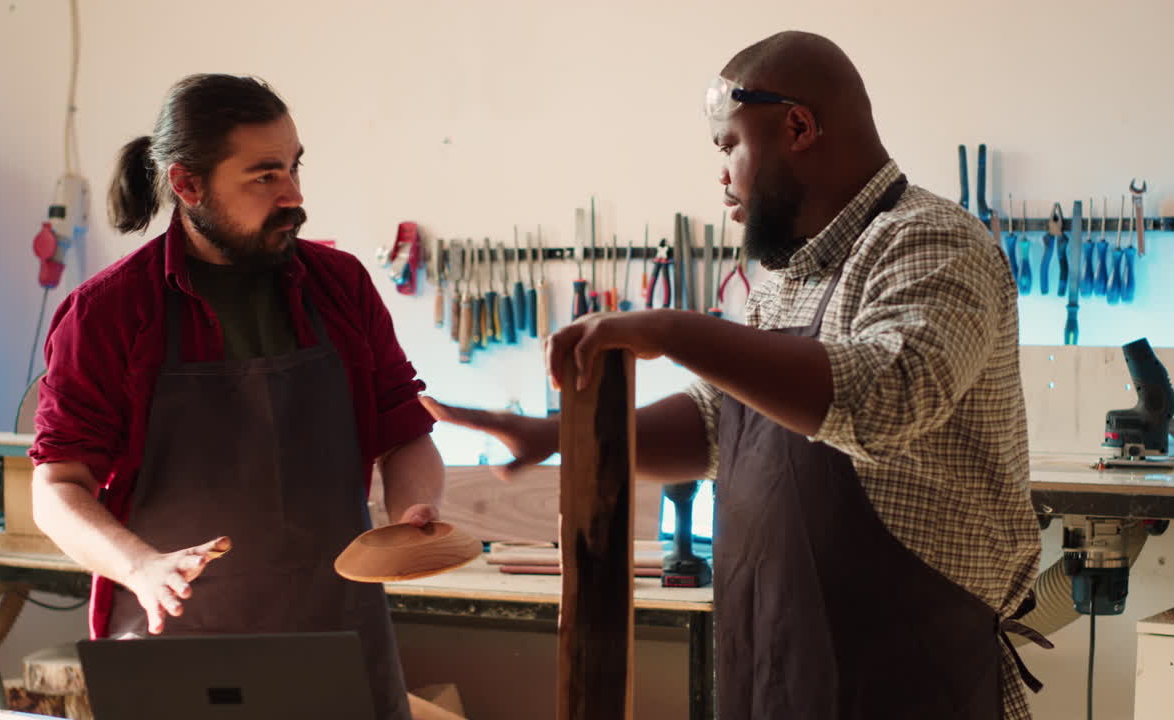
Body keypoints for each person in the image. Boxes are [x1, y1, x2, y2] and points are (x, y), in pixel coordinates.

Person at [423, 31, 1046, 719]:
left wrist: (667, 328)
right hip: (781, 668)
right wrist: (562, 432)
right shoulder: (784, 279)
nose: (722, 175)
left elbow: (885, 399)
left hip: (913, 677)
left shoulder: (930, 239)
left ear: (798, 126)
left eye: (730, 147)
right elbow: (723, 425)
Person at [29, 74, 441, 720]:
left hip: (335, 652)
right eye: (265, 176)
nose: (295, 197)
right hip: (180, 661)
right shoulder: (110, 315)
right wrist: (140, 568)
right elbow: (55, 491)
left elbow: (405, 432)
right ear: (187, 186)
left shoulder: (341, 288)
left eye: (295, 168)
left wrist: (417, 510)